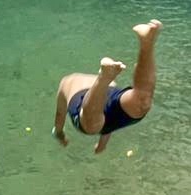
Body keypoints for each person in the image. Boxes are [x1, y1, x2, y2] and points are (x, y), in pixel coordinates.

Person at [54, 20, 162, 154]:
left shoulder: (67, 82)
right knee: (143, 101)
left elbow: (60, 117)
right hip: (107, 91)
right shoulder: (74, 80)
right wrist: (102, 144)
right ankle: (147, 43)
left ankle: (103, 78)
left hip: (89, 99)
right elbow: (108, 116)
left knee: (91, 125)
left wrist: (59, 134)